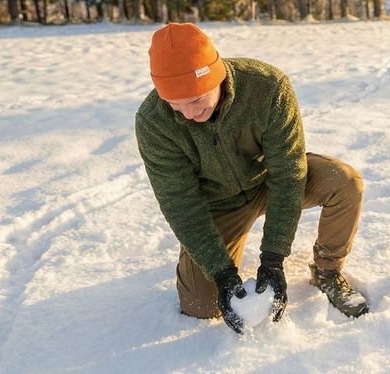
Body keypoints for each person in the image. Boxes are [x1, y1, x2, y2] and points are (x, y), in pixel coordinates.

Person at [134, 23, 370, 333]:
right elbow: (182, 207)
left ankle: (326, 271)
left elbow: (288, 175)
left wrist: (273, 258)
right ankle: (219, 259)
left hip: (270, 182)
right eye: (176, 105)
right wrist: (221, 273)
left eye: (196, 100)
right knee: (201, 307)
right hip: (219, 204)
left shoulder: (267, 87)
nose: (189, 114)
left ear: (216, 76)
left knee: (344, 181)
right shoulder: (154, 123)